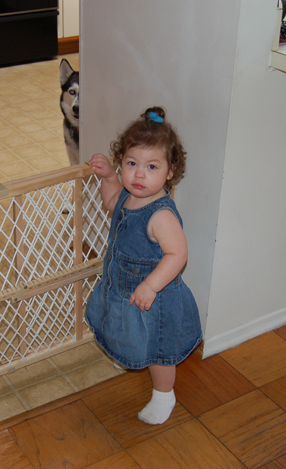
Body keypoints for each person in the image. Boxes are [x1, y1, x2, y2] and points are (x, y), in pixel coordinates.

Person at [86, 106, 203, 425]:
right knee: (125, 330)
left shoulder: (161, 215)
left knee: (157, 351)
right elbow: (111, 203)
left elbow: (177, 255)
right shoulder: (128, 194)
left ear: (169, 171)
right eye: (131, 164)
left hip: (155, 300)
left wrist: (151, 285)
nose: (139, 174)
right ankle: (128, 354)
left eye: (151, 166)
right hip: (123, 289)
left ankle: (165, 395)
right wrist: (109, 178)